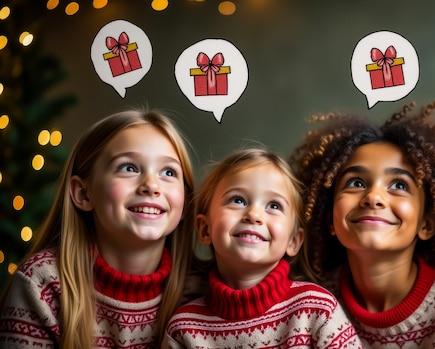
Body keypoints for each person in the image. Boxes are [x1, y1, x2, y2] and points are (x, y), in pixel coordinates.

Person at [289, 100, 435, 348]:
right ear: (330, 218)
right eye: (356, 183)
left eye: (399, 185)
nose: (373, 197)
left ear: (426, 224)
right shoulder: (308, 303)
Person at [0, 109, 196, 348]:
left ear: (185, 202)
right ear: (83, 193)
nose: (151, 186)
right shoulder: (41, 284)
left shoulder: (199, 291)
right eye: (129, 168)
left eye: (168, 172)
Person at [163, 148, 362, 348]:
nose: (254, 215)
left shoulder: (318, 310)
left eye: (274, 206)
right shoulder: (183, 328)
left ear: (293, 241)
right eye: (238, 200)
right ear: (205, 229)